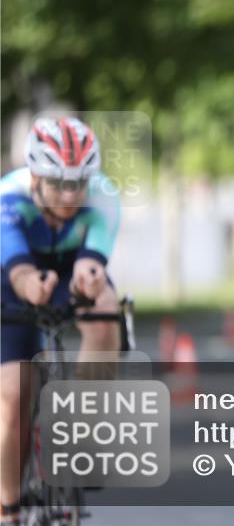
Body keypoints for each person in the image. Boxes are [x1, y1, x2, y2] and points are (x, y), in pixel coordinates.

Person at [1, 117, 121, 525]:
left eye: (79, 183)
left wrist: (87, 282)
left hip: (69, 266)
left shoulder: (104, 196)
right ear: (35, 176)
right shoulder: (7, 197)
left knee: (106, 308)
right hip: (13, 274)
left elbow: (92, 259)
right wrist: (30, 284)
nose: (70, 194)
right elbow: (16, 268)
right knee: (14, 396)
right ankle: (8, 506)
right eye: (58, 184)